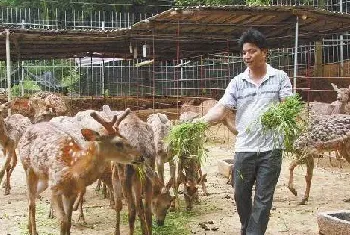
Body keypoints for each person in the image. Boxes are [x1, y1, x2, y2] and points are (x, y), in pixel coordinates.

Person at [197, 28, 293, 235]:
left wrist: (281, 112)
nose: (247, 56)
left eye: (252, 51)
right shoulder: (238, 82)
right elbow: (222, 108)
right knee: (240, 194)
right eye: (244, 52)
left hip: (272, 148)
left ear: (264, 52)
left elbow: (288, 105)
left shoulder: (280, 78)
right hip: (245, 146)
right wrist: (200, 123)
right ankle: (247, 228)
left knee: (263, 198)